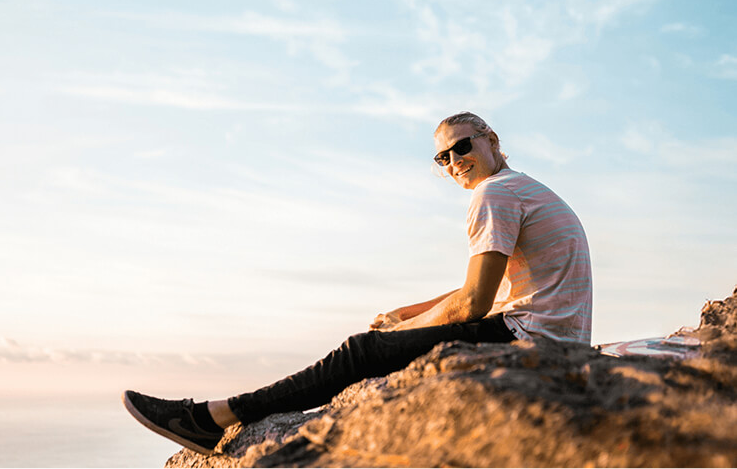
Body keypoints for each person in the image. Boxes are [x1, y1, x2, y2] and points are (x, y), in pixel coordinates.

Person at [122, 112, 593, 455]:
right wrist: (409, 313)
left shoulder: (493, 194)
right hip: (551, 336)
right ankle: (217, 415)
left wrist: (397, 332)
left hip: (528, 339)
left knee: (361, 351)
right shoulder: (520, 187)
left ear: (491, 140)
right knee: (378, 346)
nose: (454, 161)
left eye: (463, 147)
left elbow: (473, 303)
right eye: (443, 156)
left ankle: (213, 417)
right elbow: (484, 291)